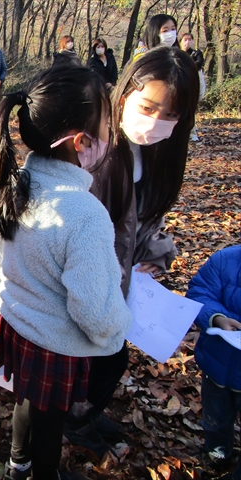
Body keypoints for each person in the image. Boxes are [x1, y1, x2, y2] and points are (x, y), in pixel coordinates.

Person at [0, 66, 132, 480]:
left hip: (19, 323)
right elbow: (96, 314)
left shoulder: (17, 181)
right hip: (55, 344)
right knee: (50, 424)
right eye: (107, 124)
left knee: (26, 399)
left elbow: (0, 260)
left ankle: (16, 464)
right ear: (82, 141)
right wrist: (121, 325)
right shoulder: (86, 215)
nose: (112, 133)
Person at [64, 46, 200, 456]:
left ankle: (85, 414)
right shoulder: (90, 143)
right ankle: (71, 422)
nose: (156, 122)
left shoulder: (158, 151)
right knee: (93, 362)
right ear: (126, 92)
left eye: (171, 115)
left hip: (122, 275)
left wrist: (152, 257)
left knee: (111, 361)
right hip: (83, 278)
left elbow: (146, 216)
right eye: (148, 107)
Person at [186, 245, 241, 480]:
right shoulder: (226, 260)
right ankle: (218, 452)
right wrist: (217, 318)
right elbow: (199, 293)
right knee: (215, 418)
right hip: (218, 367)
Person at [180, 32, 206, 141]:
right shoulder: (176, 53)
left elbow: (199, 63)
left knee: (191, 110)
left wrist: (188, 66)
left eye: (190, 39)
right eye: (185, 39)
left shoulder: (196, 53)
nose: (187, 42)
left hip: (194, 83)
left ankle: (192, 133)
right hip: (180, 84)